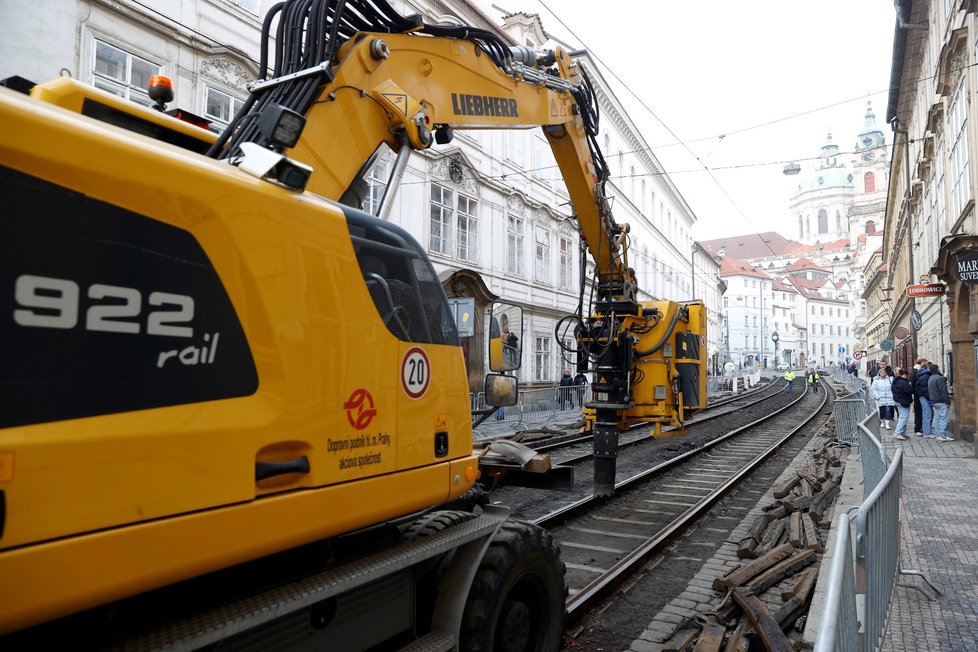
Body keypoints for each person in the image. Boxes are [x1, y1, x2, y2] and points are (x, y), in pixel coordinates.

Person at [926, 364, 954, 442]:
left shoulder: (930, 378)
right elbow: (943, 391)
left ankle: (938, 434)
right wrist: (947, 401)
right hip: (940, 401)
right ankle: (942, 435)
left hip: (934, 400)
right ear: (938, 369)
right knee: (944, 418)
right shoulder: (939, 378)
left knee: (937, 418)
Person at [890, 368, 913, 441]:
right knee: (904, 417)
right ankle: (897, 433)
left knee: (902, 417)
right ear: (904, 374)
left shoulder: (895, 381)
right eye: (907, 375)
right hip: (904, 401)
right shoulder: (903, 382)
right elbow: (910, 390)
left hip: (897, 400)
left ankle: (903, 433)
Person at [913, 362, 933, 437]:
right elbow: (925, 389)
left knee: (926, 414)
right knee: (927, 415)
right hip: (924, 397)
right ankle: (927, 433)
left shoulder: (922, 374)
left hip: (922, 396)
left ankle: (925, 431)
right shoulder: (925, 376)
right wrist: (928, 397)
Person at [909, 357, 927, 436]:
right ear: (921, 363)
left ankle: (922, 428)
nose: (925, 363)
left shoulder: (919, 371)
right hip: (918, 394)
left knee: (922, 411)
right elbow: (913, 384)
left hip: (920, 393)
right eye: (924, 362)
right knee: (918, 411)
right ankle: (918, 428)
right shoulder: (915, 372)